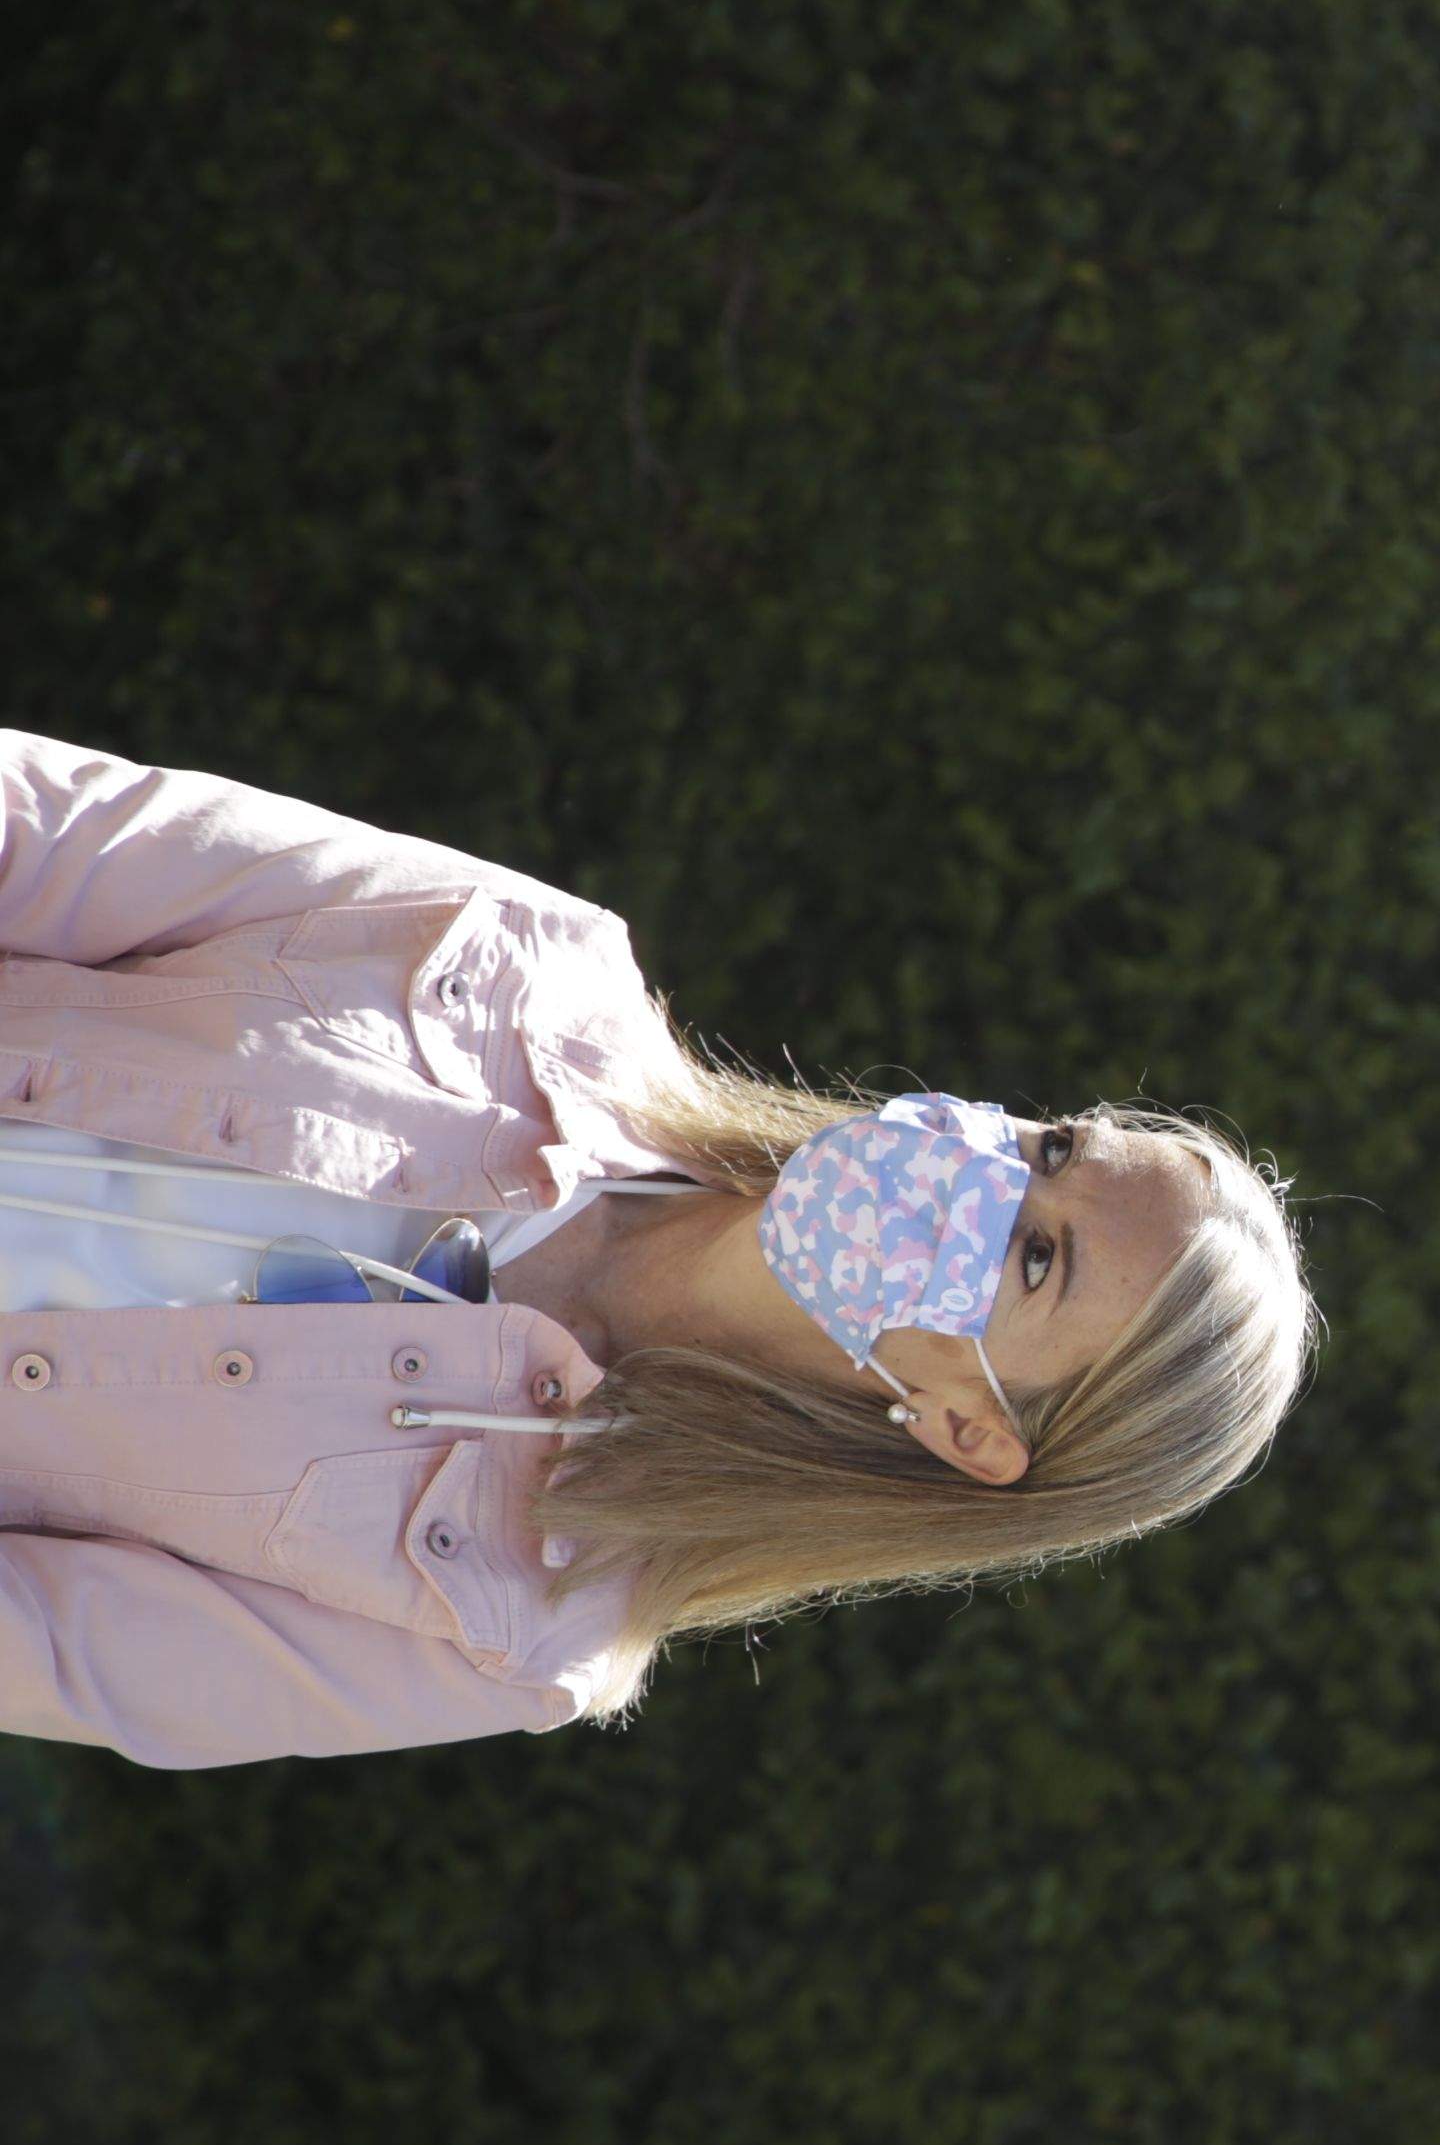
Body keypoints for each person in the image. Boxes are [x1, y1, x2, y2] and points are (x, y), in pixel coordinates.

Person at [0, 729, 1318, 1767]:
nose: (984, 1169)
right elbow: (64, 833)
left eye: (1035, 1258)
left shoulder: (521, 1620)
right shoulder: (526, 976)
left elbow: (55, 1649)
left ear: (972, 1431)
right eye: (1054, 1149)